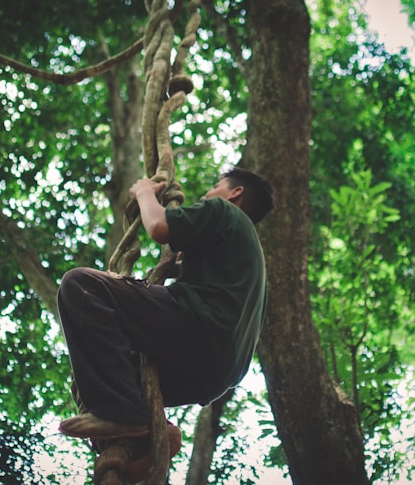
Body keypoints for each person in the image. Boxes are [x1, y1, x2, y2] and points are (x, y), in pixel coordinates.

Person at [57, 167, 275, 443]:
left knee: (82, 286)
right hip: (215, 375)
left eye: (216, 186)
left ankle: (125, 416)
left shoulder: (224, 210)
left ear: (236, 193)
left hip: (199, 327)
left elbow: (159, 227)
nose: (208, 193)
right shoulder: (246, 251)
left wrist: (145, 192)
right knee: (107, 375)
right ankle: (148, 436)